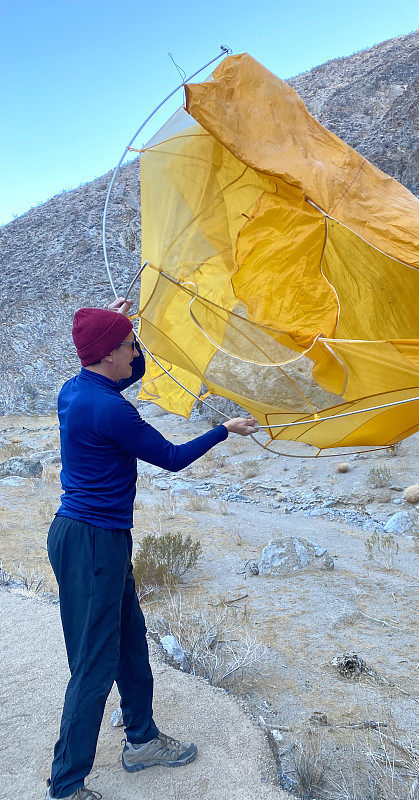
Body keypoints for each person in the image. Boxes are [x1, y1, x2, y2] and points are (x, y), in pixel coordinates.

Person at [45, 298, 258, 800]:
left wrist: (120, 324)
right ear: (104, 356)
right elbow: (172, 457)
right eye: (128, 345)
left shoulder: (75, 389)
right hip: (92, 543)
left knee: (131, 643)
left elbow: (129, 366)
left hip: (94, 538)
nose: (137, 352)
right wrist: (223, 430)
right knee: (93, 665)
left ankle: (140, 741)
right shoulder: (111, 409)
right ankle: (66, 785)